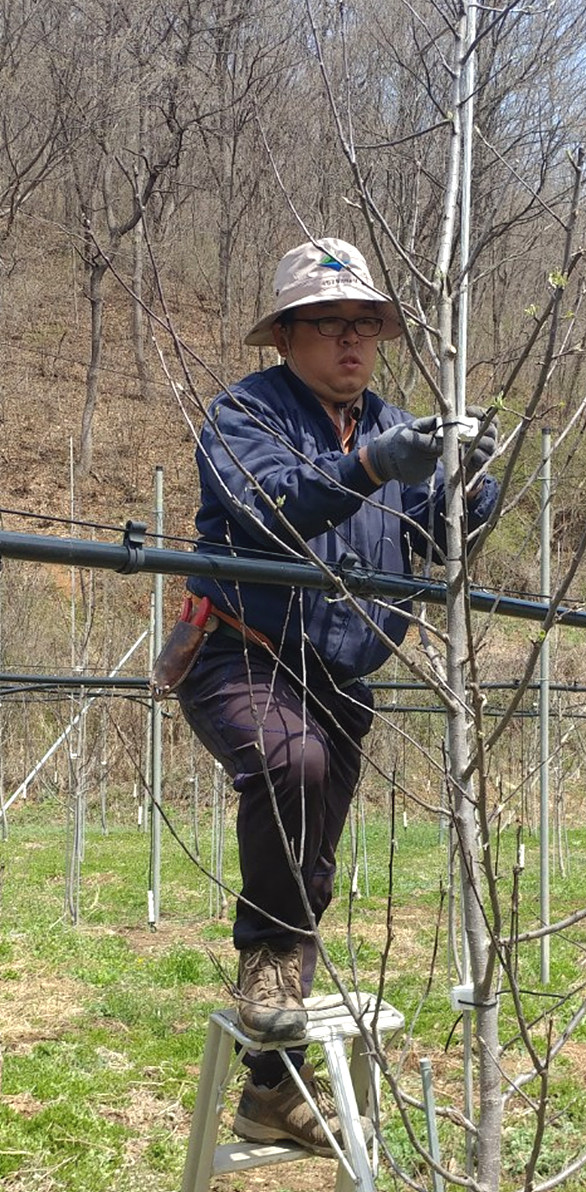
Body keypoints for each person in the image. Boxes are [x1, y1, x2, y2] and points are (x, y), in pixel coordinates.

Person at [173, 237, 498, 1154]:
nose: (351, 342)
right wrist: (371, 466)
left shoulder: (393, 424)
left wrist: (470, 487)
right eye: (328, 325)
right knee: (291, 762)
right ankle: (267, 968)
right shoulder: (246, 414)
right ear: (286, 336)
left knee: (310, 854)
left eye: (364, 325)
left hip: (343, 670)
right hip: (242, 647)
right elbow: (268, 508)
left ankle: (270, 1086)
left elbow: (427, 538)